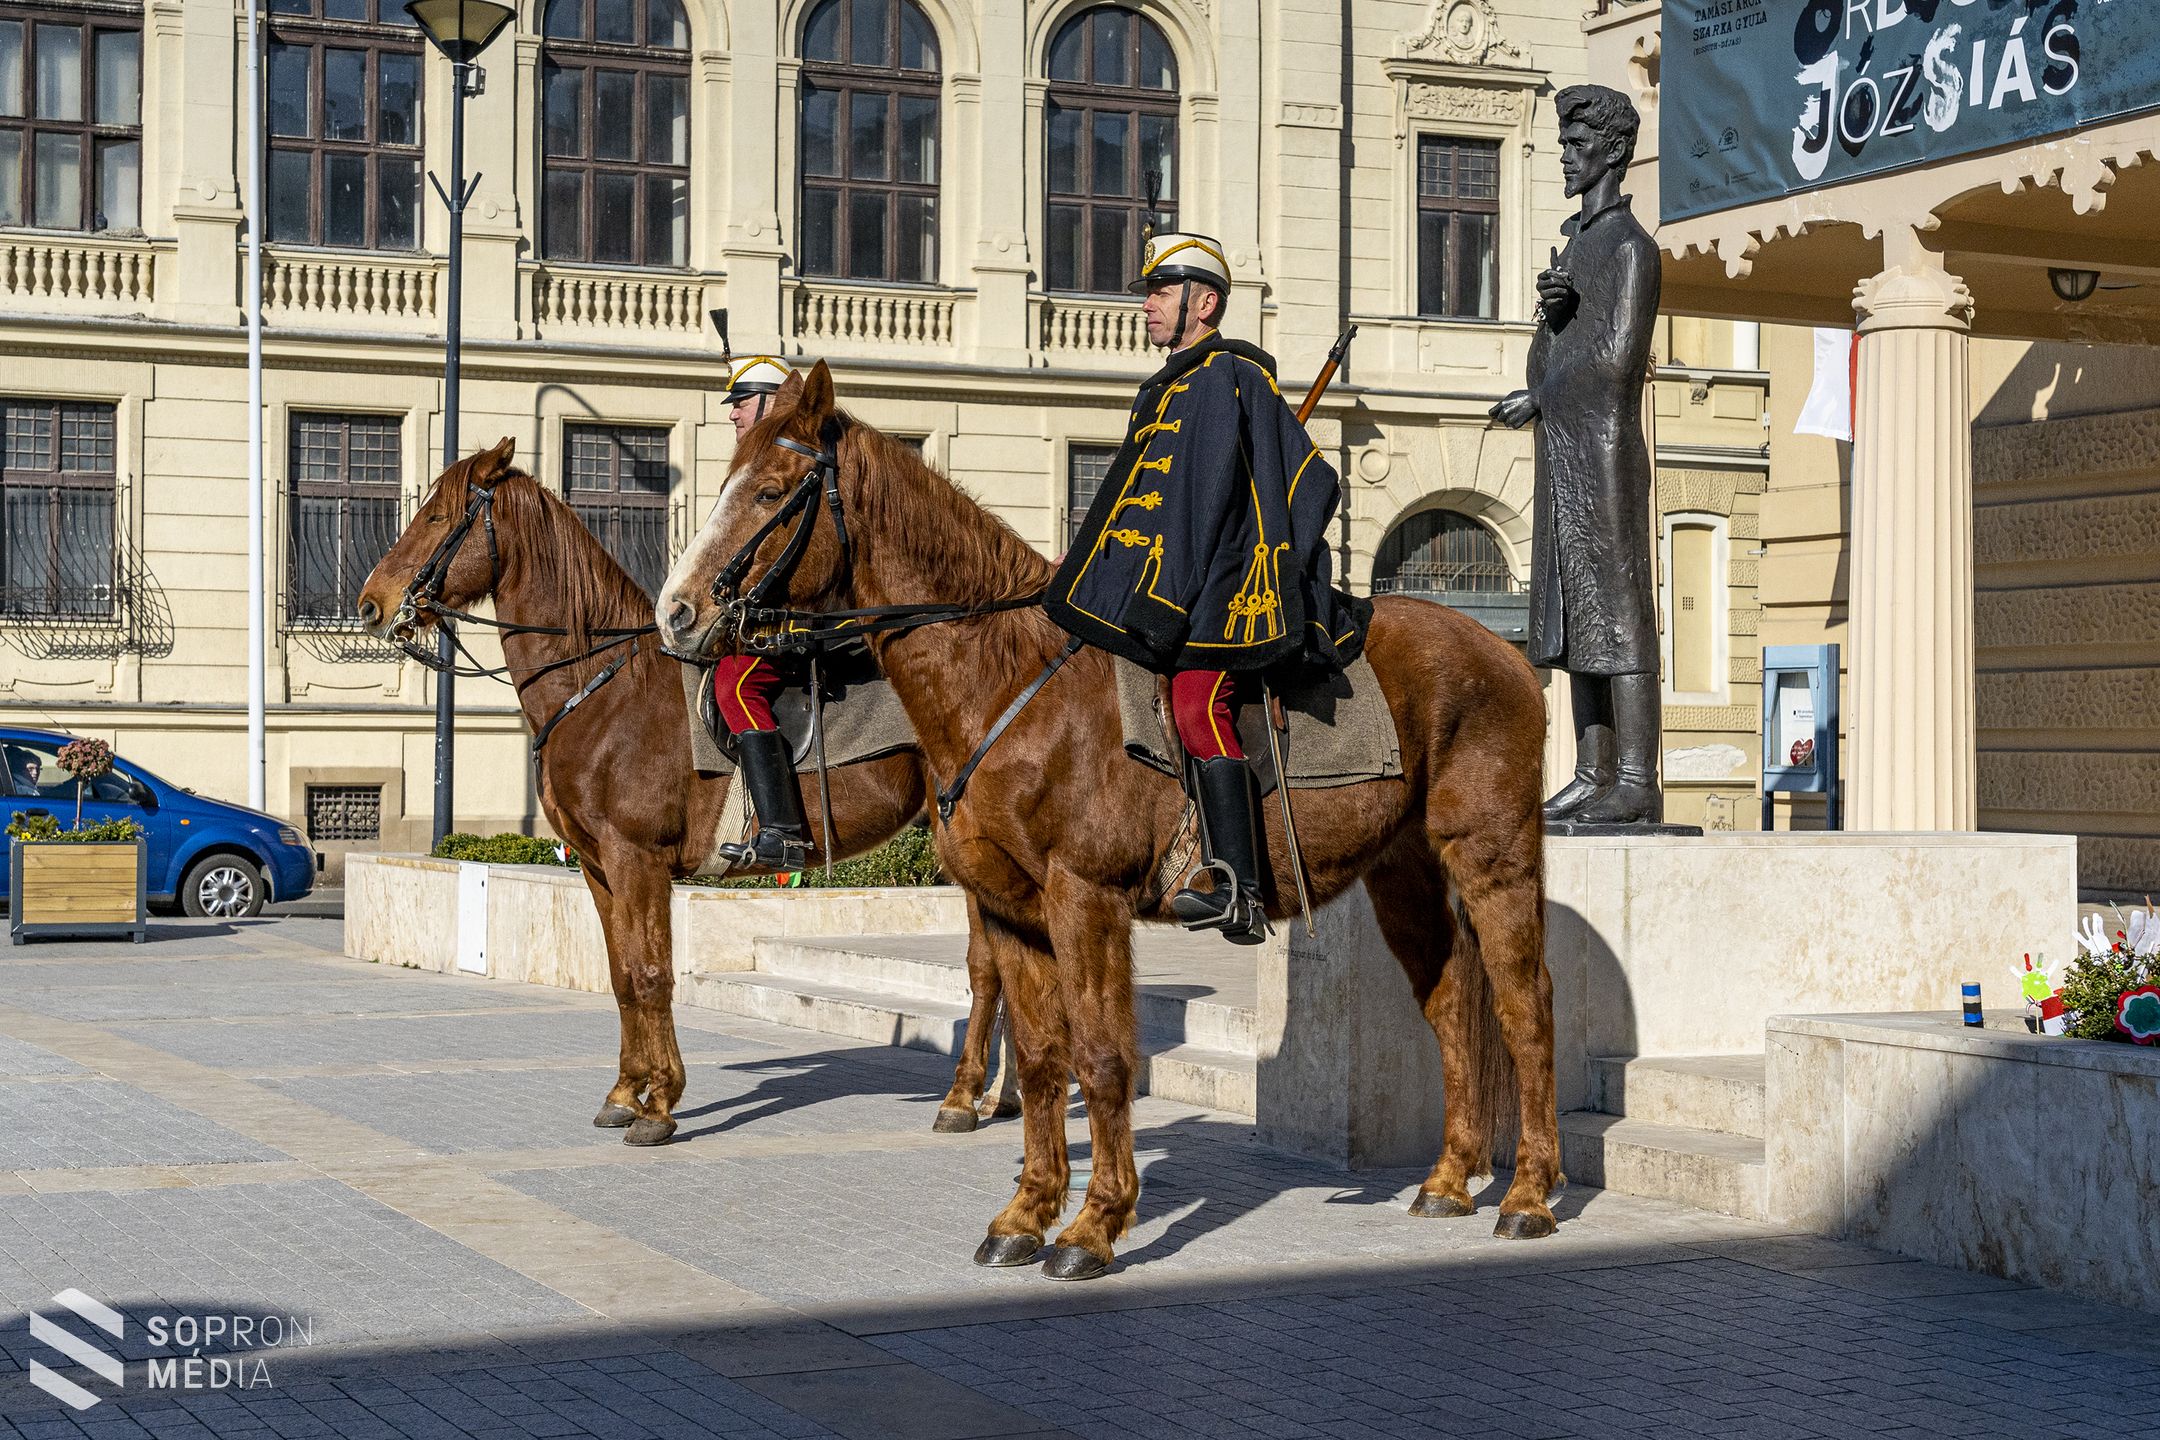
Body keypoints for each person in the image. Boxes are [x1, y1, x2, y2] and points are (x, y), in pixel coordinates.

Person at [1046, 233, 1361, 944]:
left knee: (1195, 706)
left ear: (1205, 301)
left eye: (1161, 292)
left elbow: (1212, 500)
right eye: (1151, 293)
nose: (1148, 306)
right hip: (1177, 582)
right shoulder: (1168, 386)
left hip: (1219, 587)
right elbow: (1138, 499)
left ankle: (1241, 890)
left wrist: (1185, 586)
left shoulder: (1223, 375)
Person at [1491, 84, 1665, 827]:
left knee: (1619, 612)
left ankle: (1636, 779)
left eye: (1576, 142)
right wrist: (1550, 322)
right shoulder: (1579, 246)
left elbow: (1618, 364)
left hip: (1605, 453)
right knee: (1574, 613)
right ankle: (1592, 772)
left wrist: (1540, 400)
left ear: (1614, 151)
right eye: (1563, 142)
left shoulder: (1630, 249)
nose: (1566, 154)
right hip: (1568, 453)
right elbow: (1551, 363)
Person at [710, 353, 814, 869]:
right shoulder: (751, 466)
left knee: (736, 683)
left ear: (772, 402)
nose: (731, 414)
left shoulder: (789, 464)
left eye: (741, 402)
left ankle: (782, 829)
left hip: (791, 623)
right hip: (748, 616)